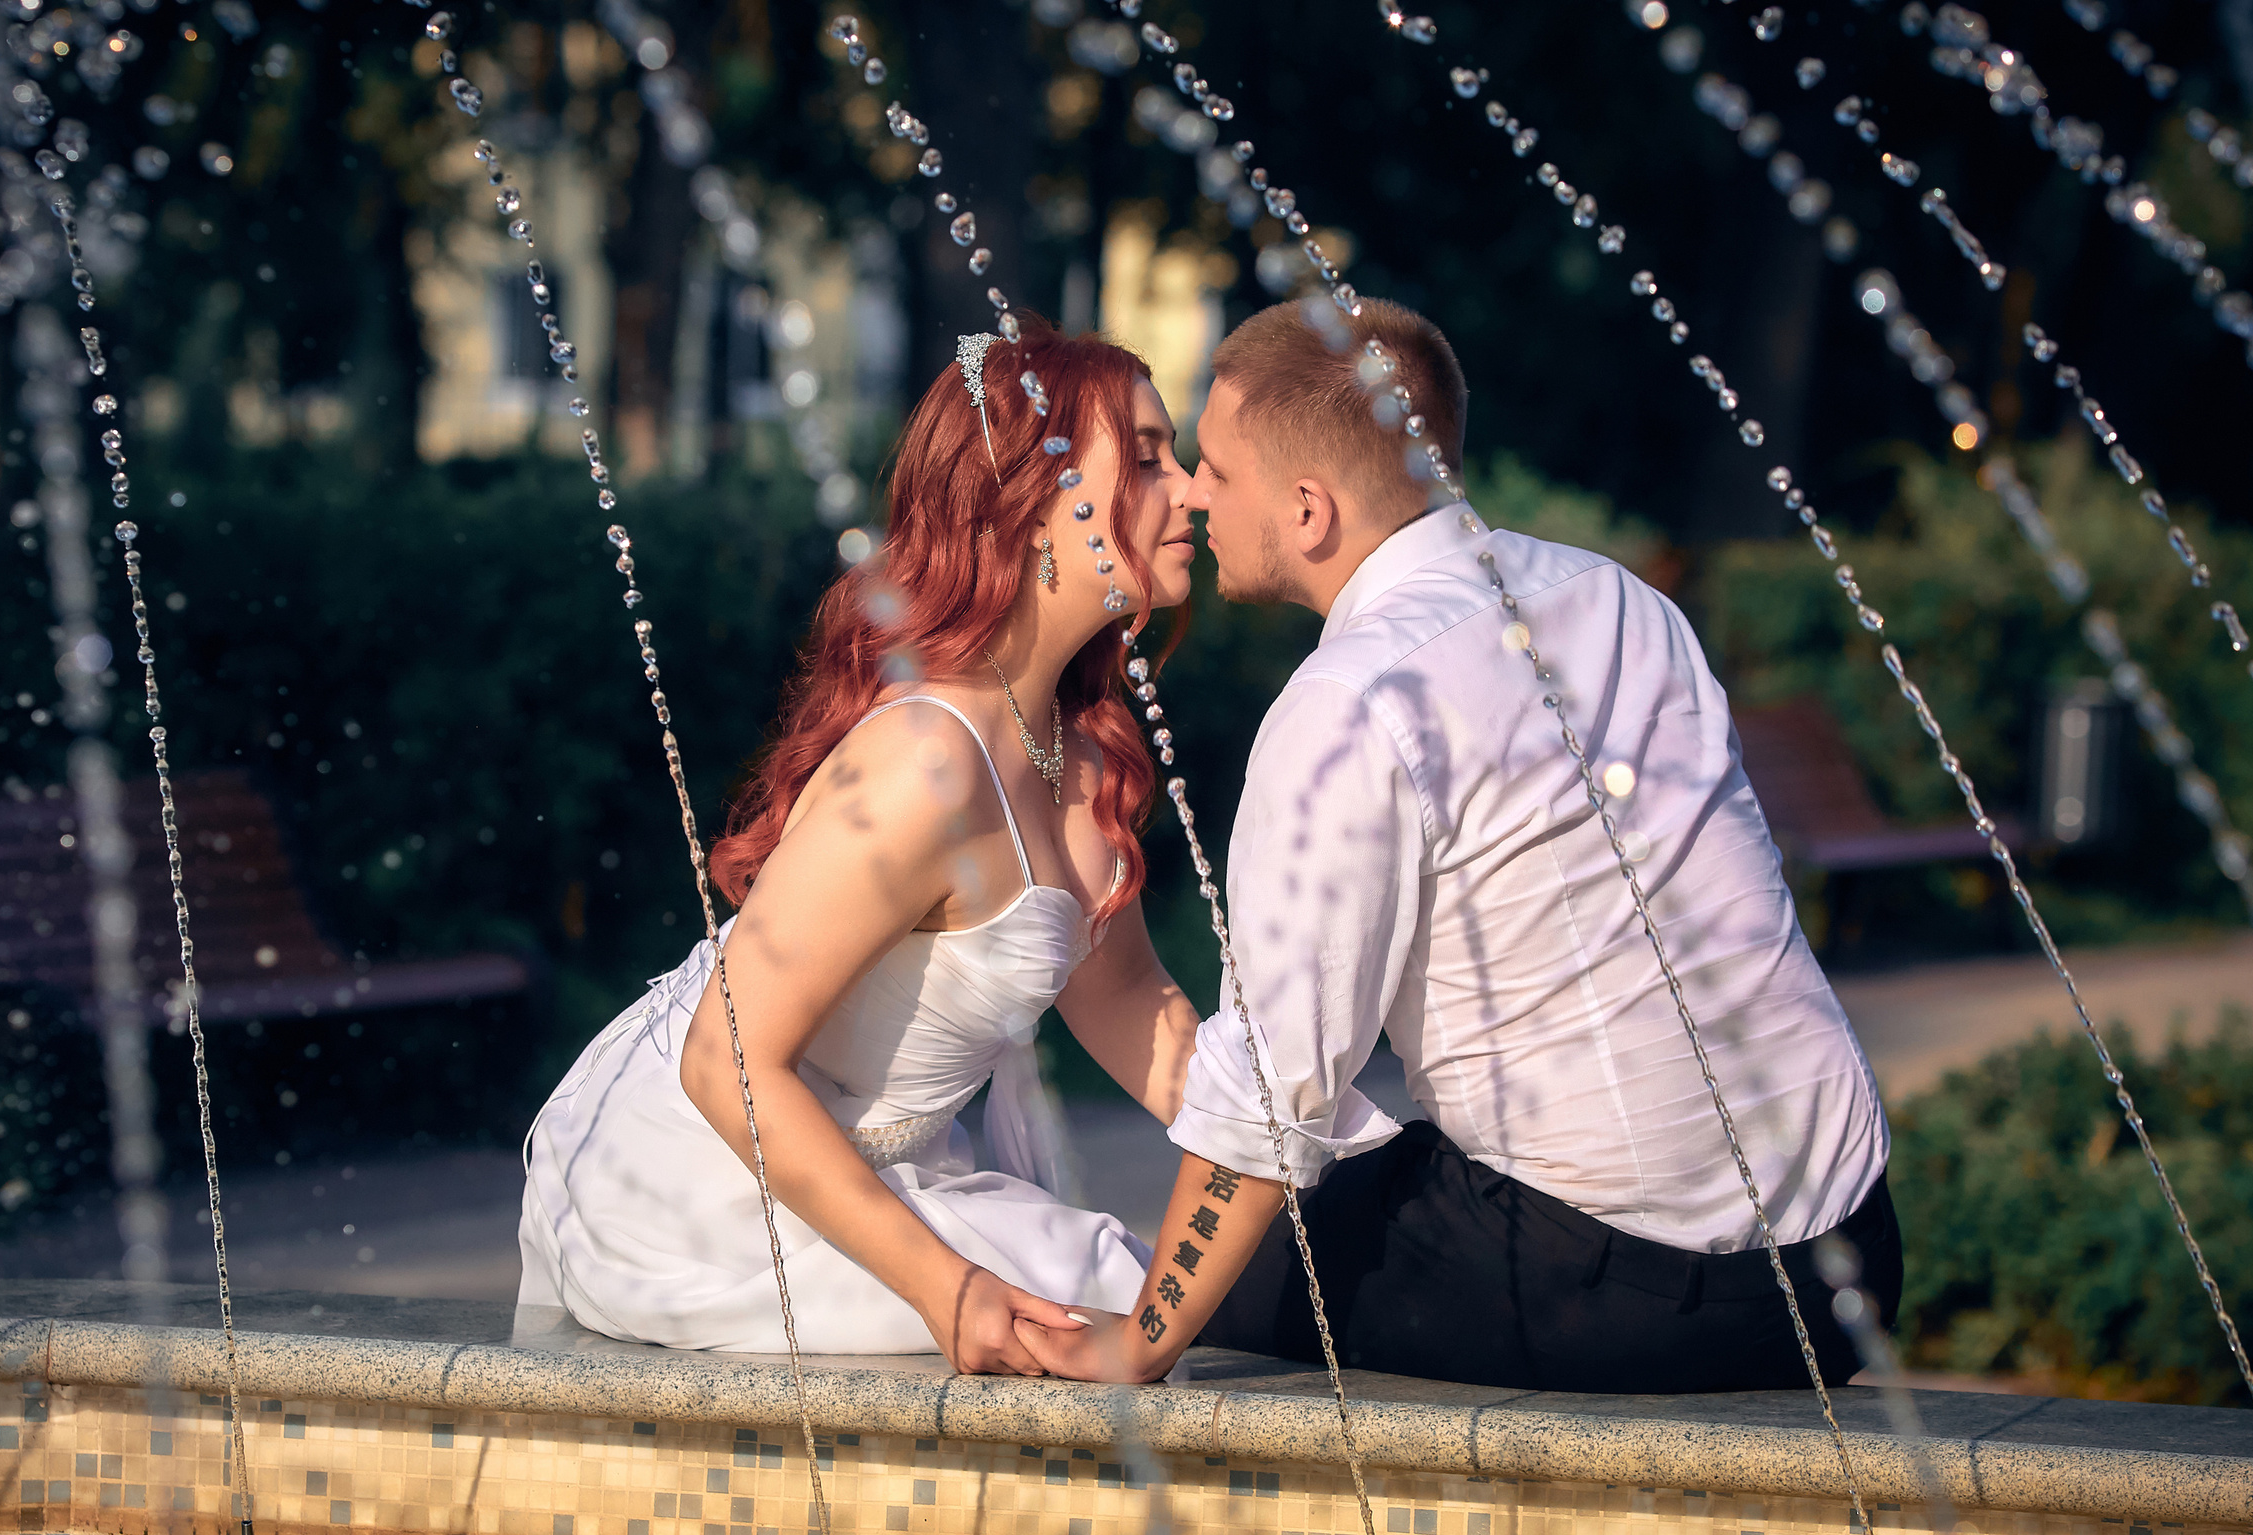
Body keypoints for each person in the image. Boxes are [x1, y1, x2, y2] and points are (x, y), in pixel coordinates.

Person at [1020, 298, 1901, 1394]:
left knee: (1209, 1277)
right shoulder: (1618, 601)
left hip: (1642, 1293)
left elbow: (1279, 1092)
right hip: (1848, 1258)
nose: (1194, 494)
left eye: (1215, 470)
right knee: (1358, 1175)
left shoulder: (1352, 700)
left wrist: (1145, 1339)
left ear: (1306, 511)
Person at [518, 314, 1204, 1374]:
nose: (1192, 488)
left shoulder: (1077, 754)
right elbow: (725, 1060)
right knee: (1098, 1295)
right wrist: (945, 1288)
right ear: (1031, 506)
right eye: (1150, 459)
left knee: (1160, 1290)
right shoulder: (920, 762)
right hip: (698, 1179)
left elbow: (1126, 1003)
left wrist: (1281, 1148)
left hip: (857, 1159)